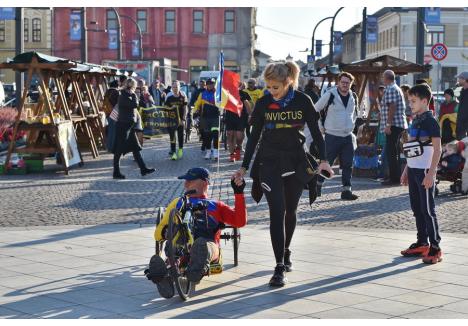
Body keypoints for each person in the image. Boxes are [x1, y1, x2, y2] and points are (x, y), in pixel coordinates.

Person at [232, 61, 333, 287]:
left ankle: (286, 250)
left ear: (288, 82)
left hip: (296, 161)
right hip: (269, 162)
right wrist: (244, 167)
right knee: (276, 212)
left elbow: (317, 133)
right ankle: (278, 266)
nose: (271, 91)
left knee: (290, 211)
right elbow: (254, 137)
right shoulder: (264, 103)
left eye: (275, 87)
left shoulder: (302, 101)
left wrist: (324, 160)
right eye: (268, 86)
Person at [149, 167, 247, 298]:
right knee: (173, 247)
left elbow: (239, 221)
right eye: (185, 181)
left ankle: (191, 268)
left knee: (202, 245)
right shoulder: (178, 203)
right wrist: (166, 232)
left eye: (190, 181)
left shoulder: (216, 205)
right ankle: (167, 271)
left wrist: (239, 193)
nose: (185, 184)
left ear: (204, 182)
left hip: (208, 244)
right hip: (180, 245)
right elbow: (158, 233)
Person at [400, 84, 442, 264]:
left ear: (425, 101)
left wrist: (431, 174)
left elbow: (438, 149)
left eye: (413, 101)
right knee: (417, 209)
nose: (410, 104)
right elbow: (410, 148)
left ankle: (435, 247)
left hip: (425, 170)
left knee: (427, 210)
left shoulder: (431, 122)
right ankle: (422, 242)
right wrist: (405, 170)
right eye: (409, 101)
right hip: (414, 169)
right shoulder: (415, 120)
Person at [314, 72, 359, 200]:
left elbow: (355, 114)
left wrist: (352, 126)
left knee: (348, 165)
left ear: (351, 84)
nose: (345, 85)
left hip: (347, 136)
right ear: (338, 82)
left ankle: (346, 191)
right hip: (332, 135)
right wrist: (320, 127)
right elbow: (315, 109)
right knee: (327, 163)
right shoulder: (330, 95)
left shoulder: (353, 96)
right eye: (343, 82)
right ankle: (317, 185)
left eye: (348, 83)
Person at [112, 78, 155, 179]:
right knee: (118, 150)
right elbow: (135, 104)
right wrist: (134, 95)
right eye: (134, 86)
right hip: (123, 126)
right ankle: (116, 172)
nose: (136, 89)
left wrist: (134, 95)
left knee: (135, 148)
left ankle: (143, 169)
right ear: (131, 86)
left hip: (129, 126)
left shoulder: (129, 95)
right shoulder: (123, 95)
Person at [380, 70, 408, 185]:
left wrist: (388, 125)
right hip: (397, 124)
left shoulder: (391, 89)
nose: (382, 79)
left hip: (394, 125)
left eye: (383, 77)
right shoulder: (395, 88)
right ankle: (394, 177)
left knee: (391, 152)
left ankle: (394, 178)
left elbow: (392, 107)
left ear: (387, 78)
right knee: (393, 152)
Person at [194, 79, 221, 160]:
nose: (210, 85)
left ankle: (216, 152)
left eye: (212, 84)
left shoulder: (218, 93)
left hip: (215, 117)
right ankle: (208, 152)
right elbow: (197, 104)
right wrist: (194, 113)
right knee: (207, 136)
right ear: (206, 85)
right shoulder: (202, 94)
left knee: (215, 134)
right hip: (205, 118)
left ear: (214, 84)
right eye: (209, 84)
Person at [225, 84, 252, 162]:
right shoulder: (227, 94)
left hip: (241, 117)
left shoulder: (243, 94)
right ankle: (232, 155)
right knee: (230, 135)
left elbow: (247, 105)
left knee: (239, 136)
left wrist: (250, 115)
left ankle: (238, 147)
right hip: (230, 117)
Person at [165, 80, 188, 160]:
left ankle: (180, 149)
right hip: (171, 120)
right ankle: (174, 152)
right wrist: (171, 108)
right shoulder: (169, 98)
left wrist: (184, 119)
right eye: (174, 87)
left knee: (180, 136)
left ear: (179, 87)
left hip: (181, 120)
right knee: (172, 137)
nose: (175, 88)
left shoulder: (183, 96)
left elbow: (185, 108)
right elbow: (165, 109)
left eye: (176, 87)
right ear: (172, 88)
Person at [455, 71, 468, 141]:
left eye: (459, 78)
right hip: (461, 128)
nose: (458, 80)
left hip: (465, 128)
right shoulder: (462, 91)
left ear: (464, 80)